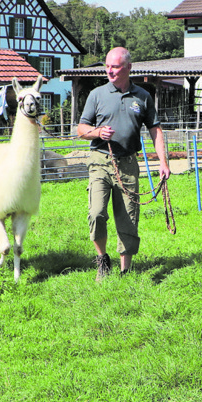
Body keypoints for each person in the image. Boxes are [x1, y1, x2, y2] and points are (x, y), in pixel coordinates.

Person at [77, 47, 172, 279]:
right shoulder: (96, 94)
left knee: (128, 217)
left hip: (128, 164)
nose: (110, 70)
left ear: (129, 67)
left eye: (115, 66)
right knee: (97, 212)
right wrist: (98, 132)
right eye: (107, 66)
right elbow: (81, 129)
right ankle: (102, 260)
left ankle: (125, 271)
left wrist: (163, 162)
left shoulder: (143, 96)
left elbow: (155, 130)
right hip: (100, 161)